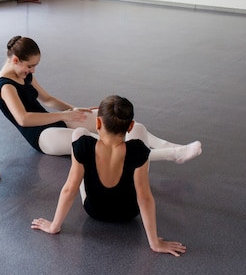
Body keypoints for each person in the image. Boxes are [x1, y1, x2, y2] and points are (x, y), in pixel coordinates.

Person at [0, 36, 202, 161]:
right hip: (42, 137)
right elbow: (24, 119)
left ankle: (173, 147)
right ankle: (172, 156)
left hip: (53, 120)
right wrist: (64, 115)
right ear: (15, 60)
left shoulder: (24, 74)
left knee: (112, 120)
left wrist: (76, 110)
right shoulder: (6, 86)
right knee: (106, 144)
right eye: (30, 66)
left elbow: (47, 99)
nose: (32, 70)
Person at [31, 95, 187, 257]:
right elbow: (144, 197)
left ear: (97, 123)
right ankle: (167, 151)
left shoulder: (84, 145)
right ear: (129, 126)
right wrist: (154, 242)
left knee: (79, 133)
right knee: (140, 135)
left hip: (95, 210)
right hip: (128, 212)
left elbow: (70, 189)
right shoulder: (137, 149)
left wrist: (54, 226)